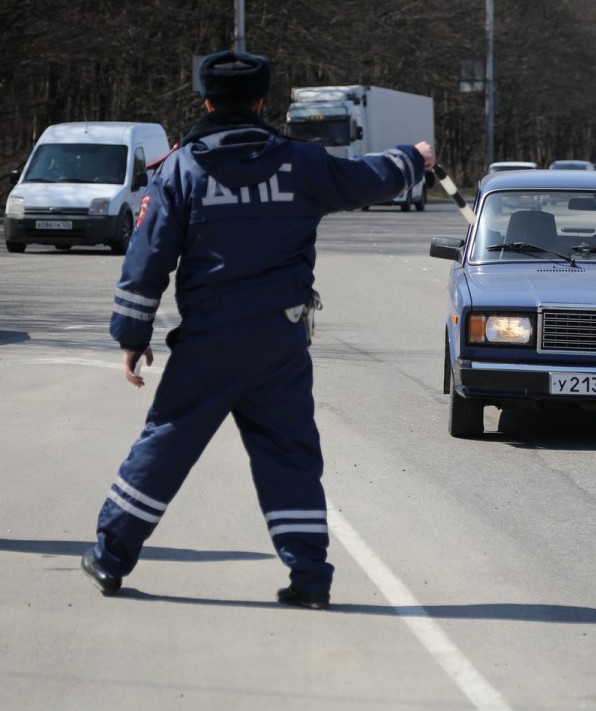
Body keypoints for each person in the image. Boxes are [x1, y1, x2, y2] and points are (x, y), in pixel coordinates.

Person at [80, 50, 435, 610]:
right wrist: (412, 159)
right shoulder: (302, 163)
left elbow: (147, 260)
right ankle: (311, 577)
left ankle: (109, 558)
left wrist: (132, 334)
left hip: (210, 343)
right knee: (289, 454)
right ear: (263, 102)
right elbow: (366, 179)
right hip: (280, 341)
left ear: (207, 100)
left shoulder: (180, 170)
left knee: (167, 444)